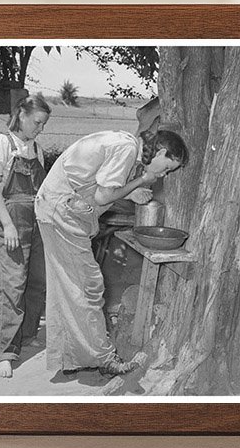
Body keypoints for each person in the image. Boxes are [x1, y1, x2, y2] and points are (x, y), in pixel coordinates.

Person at [35, 126, 188, 377]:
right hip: (61, 213)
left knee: (68, 286)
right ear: (160, 151)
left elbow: (98, 185)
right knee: (88, 285)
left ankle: (74, 356)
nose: (162, 175)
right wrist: (141, 181)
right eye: (167, 168)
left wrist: (132, 190)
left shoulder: (124, 143)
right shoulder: (127, 149)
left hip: (56, 208)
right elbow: (104, 196)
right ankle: (104, 360)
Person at [0, 94, 51, 378]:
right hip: (11, 223)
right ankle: (6, 353)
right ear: (21, 115)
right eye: (37, 122)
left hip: (35, 223)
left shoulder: (37, 148)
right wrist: (8, 225)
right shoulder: (2, 144)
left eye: (43, 124)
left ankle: (28, 334)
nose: (40, 129)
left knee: (37, 282)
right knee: (12, 285)